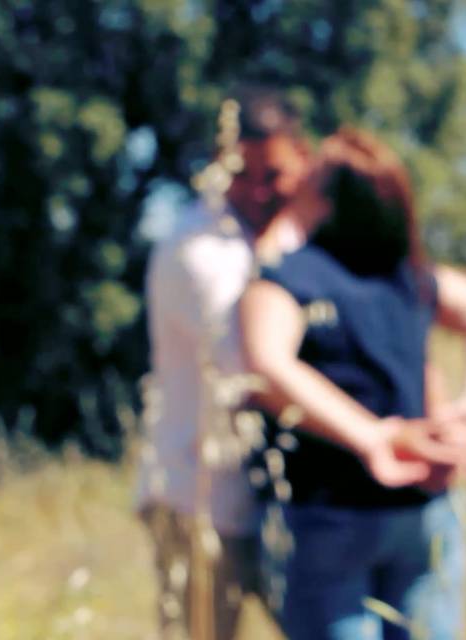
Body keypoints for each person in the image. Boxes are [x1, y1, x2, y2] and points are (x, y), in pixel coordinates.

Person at [240, 127, 466, 639]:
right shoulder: (409, 276)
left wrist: (373, 437)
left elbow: (266, 361)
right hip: (424, 509)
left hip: (330, 509)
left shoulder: (292, 277)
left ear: (319, 196)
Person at [135, 88, 311, 639]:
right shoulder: (199, 250)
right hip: (199, 496)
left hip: (273, 500)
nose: (260, 191)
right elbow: (255, 371)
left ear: (303, 161)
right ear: (219, 169)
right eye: (244, 175)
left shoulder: (290, 238)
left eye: (275, 173)